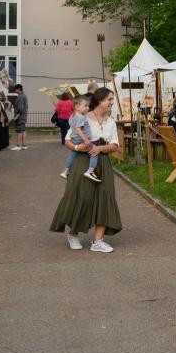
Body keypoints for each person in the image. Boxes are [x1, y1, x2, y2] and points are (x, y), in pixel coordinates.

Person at [50, 87, 123, 252]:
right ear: (99, 101)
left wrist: (100, 149)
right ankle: (73, 234)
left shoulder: (111, 122)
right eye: (109, 100)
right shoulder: (82, 118)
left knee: (106, 197)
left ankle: (97, 241)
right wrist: (78, 147)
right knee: (82, 197)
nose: (112, 103)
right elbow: (68, 140)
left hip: (102, 162)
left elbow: (115, 145)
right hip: (83, 160)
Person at [61, 94, 101, 182]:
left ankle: (66, 170)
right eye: (85, 106)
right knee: (94, 153)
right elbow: (78, 130)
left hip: (74, 140)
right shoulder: (81, 117)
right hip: (81, 140)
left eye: (88, 106)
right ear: (77, 107)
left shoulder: (73, 116)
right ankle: (90, 171)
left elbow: (73, 128)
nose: (87, 108)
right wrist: (86, 140)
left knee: (72, 155)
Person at [10, 83, 29, 150]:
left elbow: (20, 109)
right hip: (24, 116)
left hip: (20, 117)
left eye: (15, 89)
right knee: (23, 130)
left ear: (18, 89)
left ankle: (18, 146)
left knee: (19, 131)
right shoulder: (24, 96)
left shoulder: (20, 97)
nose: (14, 91)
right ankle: (24, 145)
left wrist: (16, 117)